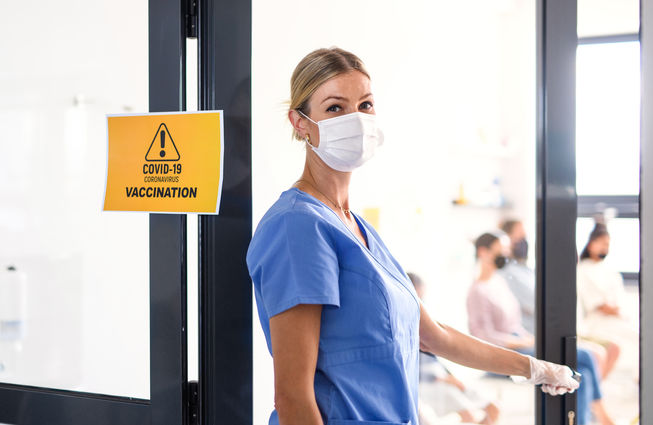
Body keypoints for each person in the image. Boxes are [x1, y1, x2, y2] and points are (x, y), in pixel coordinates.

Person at [246, 47, 579, 425]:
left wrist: (534, 368)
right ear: (300, 122)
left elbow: (435, 336)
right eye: (335, 108)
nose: (355, 120)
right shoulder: (297, 227)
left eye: (365, 105)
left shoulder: (355, 227)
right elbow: (292, 396)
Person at [468, 232, 614, 425]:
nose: (505, 255)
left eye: (505, 250)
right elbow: (484, 337)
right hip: (503, 354)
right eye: (499, 251)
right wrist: (525, 341)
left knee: (584, 375)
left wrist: (531, 338)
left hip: (521, 344)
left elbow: (515, 325)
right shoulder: (477, 291)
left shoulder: (499, 283)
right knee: (586, 356)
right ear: (483, 252)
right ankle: (602, 415)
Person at [409, 273, 500, 425]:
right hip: (426, 383)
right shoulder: (404, 326)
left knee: (493, 407)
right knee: (468, 415)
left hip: (441, 377)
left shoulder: (425, 324)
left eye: (422, 298)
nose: (421, 304)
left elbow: (434, 357)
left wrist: (451, 377)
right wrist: (441, 379)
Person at [577, 222, 637, 378]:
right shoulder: (583, 270)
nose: (605, 248)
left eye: (608, 244)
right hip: (596, 323)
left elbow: (620, 301)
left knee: (640, 336)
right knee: (633, 340)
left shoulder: (611, 272)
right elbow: (597, 305)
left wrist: (618, 311)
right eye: (602, 243)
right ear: (591, 245)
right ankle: (597, 389)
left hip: (616, 320)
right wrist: (614, 310)